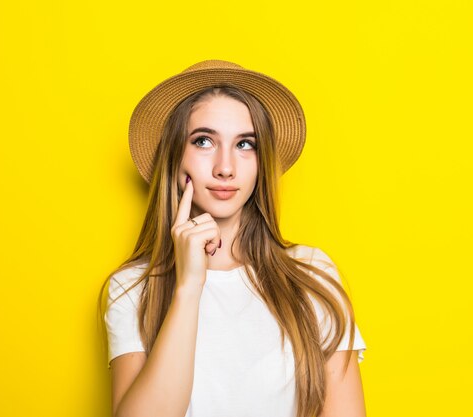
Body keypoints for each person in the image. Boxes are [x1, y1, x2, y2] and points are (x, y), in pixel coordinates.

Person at [98, 60, 368, 417]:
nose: (225, 167)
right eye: (204, 141)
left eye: (245, 144)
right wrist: (189, 287)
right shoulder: (133, 287)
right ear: (175, 157)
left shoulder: (312, 274)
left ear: (261, 162)